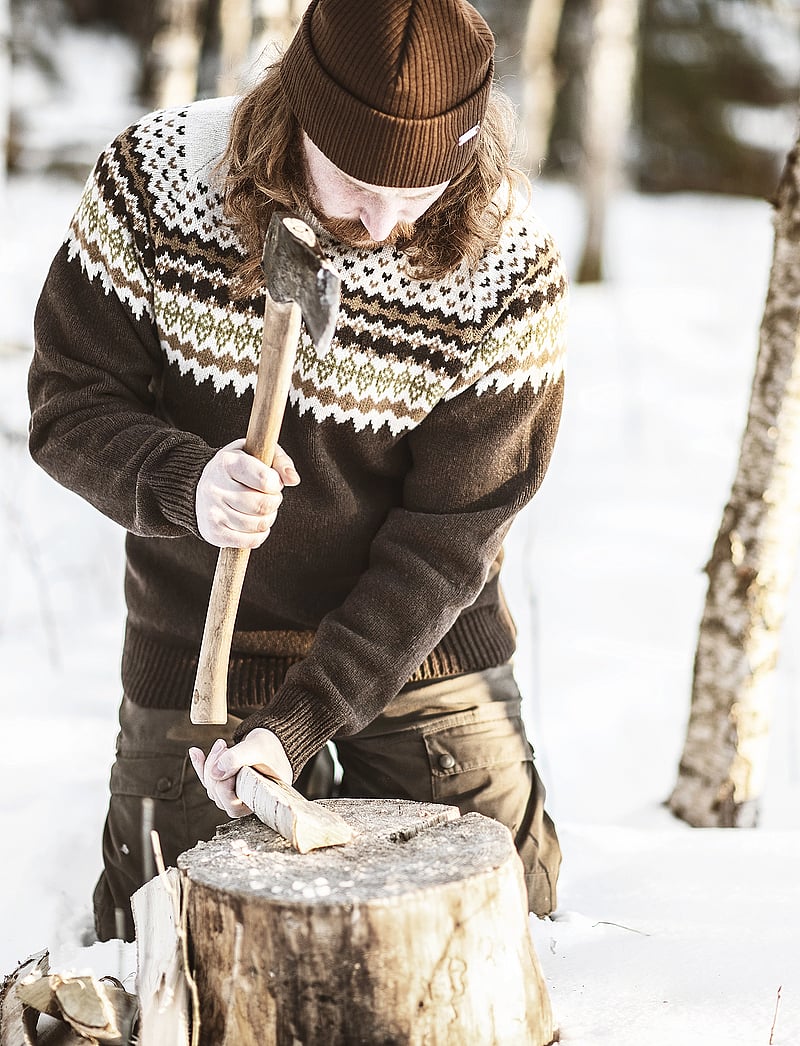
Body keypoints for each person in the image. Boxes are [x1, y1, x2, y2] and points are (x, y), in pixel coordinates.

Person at [29, 0, 567, 942]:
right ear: (298, 113)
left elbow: (451, 541)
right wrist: (181, 481)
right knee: (166, 944)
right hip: (203, 651)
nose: (384, 223)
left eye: (422, 190)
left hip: (418, 647)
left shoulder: (507, 262)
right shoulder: (156, 181)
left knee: (503, 928)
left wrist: (306, 718)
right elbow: (67, 405)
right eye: (356, 182)